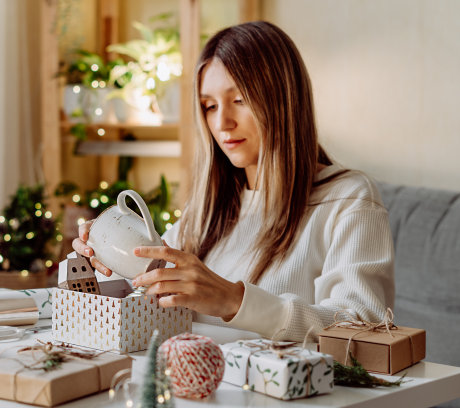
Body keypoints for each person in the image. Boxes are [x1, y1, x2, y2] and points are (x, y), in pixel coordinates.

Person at [72, 21, 394, 342]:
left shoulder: (348, 199)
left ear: (283, 98)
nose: (222, 123)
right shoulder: (208, 209)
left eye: (239, 99)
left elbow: (363, 330)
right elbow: (147, 286)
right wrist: (102, 262)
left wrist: (233, 300)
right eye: (210, 106)